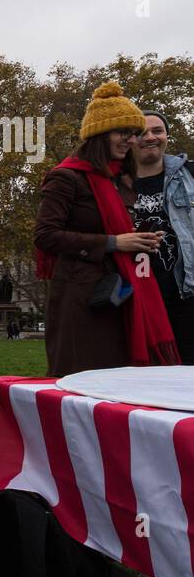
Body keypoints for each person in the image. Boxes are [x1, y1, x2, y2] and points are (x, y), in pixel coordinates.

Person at [34, 83, 178, 376]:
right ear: (100, 134)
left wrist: (142, 240)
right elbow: (45, 235)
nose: (131, 140)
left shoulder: (122, 179)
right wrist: (114, 243)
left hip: (123, 293)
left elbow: (120, 231)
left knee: (122, 381)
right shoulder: (66, 177)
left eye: (134, 133)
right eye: (123, 132)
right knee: (83, 379)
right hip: (82, 297)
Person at [130, 110, 194, 363]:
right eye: (141, 132)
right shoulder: (113, 182)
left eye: (157, 131)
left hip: (185, 292)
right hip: (136, 296)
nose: (150, 137)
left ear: (167, 136)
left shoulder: (190, 174)